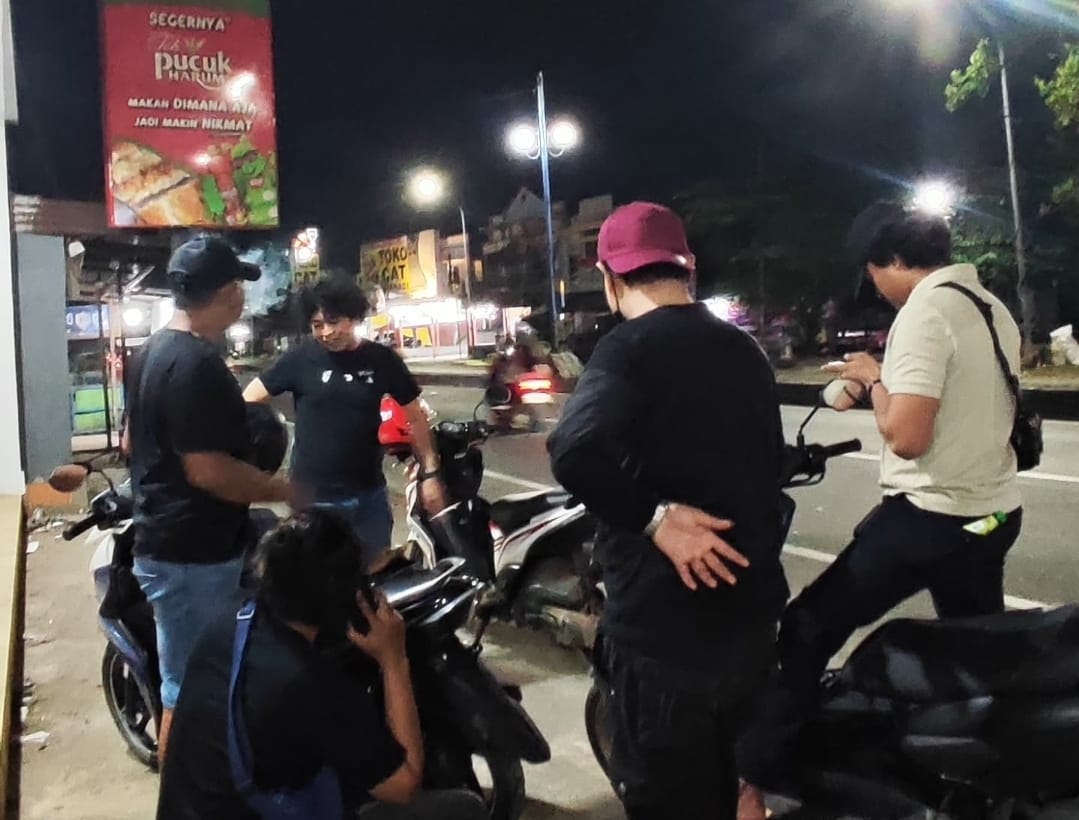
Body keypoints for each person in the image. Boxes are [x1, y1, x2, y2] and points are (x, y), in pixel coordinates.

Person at [742, 204, 1025, 793]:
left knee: (807, 626)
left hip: (931, 521)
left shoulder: (925, 313)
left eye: (873, 271)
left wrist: (873, 379)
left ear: (893, 259)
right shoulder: (990, 306)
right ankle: (995, 770)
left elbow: (906, 436)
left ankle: (766, 769)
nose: (874, 285)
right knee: (978, 651)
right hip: (992, 514)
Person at [547, 202, 789, 820]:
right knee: (739, 787)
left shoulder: (628, 348)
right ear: (689, 268)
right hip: (750, 624)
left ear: (610, 278)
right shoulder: (744, 349)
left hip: (665, 638)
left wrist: (656, 519)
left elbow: (572, 451)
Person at [156, 509, 487, 820]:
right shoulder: (311, 684)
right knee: (463, 808)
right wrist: (394, 659)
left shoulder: (229, 622)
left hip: (191, 807)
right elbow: (404, 784)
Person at [126, 236, 296, 763]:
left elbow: (132, 441)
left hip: (170, 541)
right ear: (226, 294)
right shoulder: (197, 364)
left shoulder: (149, 352)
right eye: (239, 286)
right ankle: (182, 795)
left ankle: (215, 781)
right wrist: (285, 490)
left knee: (203, 682)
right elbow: (208, 471)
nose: (244, 296)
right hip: (192, 555)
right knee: (189, 689)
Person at [244, 275, 447, 566]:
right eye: (317, 325)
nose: (326, 332)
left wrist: (430, 473)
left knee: (375, 574)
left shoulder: (382, 359)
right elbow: (249, 401)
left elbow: (415, 418)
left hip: (370, 497)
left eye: (333, 322)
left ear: (353, 317)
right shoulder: (299, 359)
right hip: (314, 501)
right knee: (321, 580)